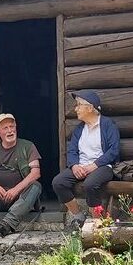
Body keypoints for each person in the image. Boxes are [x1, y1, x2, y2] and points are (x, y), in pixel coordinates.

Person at [52, 90, 120, 230]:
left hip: (103, 166)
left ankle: (97, 221)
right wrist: (75, 166)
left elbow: (113, 151)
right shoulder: (79, 129)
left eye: (78, 105)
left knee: (90, 184)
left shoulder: (107, 124)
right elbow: (72, 150)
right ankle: (78, 216)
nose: (75, 109)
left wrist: (94, 166)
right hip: (81, 166)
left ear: (90, 108)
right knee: (58, 182)